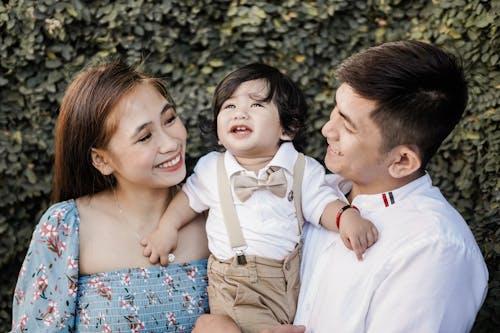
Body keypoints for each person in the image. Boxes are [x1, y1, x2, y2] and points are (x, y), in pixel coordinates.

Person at [192, 40, 489, 333]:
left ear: (401, 160)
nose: (326, 129)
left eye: (347, 125)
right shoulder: (316, 188)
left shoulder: (432, 250)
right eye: (336, 109)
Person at [142, 63, 378, 333]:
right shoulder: (212, 168)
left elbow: (323, 203)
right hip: (231, 284)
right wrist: (166, 228)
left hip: (282, 287)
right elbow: (188, 199)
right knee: (217, 326)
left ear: (286, 129)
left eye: (256, 105)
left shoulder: (301, 169)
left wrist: (345, 216)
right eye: (229, 107)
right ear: (219, 133)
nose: (239, 112)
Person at [10, 62, 210, 332]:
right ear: (101, 160)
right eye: (145, 137)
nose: (171, 143)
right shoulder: (67, 228)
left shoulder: (218, 212)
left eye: (170, 119)